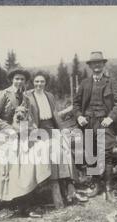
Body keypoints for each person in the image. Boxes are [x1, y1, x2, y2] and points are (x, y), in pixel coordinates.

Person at [0, 68, 51, 215]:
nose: (19, 81)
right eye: (17, 78)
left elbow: (28, 119)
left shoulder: (26, 97)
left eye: (22, 79)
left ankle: (32, 197)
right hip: (1, 136)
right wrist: (9, 128)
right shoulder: (2, 94)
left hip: (20, 135)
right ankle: (23, 206)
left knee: (39, 149)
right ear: (12, 79)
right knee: (21, 162)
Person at [24, 71, 88, 203]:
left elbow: (55, 115)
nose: (39, 84)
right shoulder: (28, 96)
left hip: (51, 128)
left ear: (45, 83)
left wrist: (62, 130)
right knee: (53, 152)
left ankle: (71, 186)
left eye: (42, 82)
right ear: (33, 82)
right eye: (36, 81)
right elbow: (26, 117)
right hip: (38, 130)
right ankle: (58, 189)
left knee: (66, 148)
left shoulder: (49, 96)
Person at [73, 52, 117, 202]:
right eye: (94, 63)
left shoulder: (111, 82)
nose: (97, 66)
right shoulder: (84, 83)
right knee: (91, 154)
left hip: (104, 123)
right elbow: (76, 104)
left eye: (99, 63)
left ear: (103, 65)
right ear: (89, 66)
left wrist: (110, 118)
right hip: (88, 123)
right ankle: (96, 185)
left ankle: (109, 189)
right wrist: (79, 116)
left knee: (106, 155)